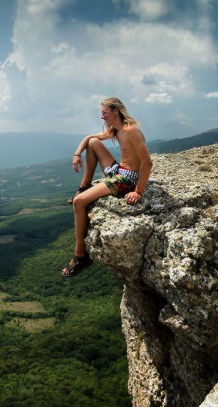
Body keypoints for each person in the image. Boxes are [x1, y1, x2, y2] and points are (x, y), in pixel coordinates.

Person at [62, 97, 152, 277]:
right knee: (93, 143)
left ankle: (80, 255)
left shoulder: (131, 130)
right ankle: (84, 186)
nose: (102, 117)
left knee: (79, 203)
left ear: (115, 111)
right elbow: (89, 138)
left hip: (127, 179)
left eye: (104, 113)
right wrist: (77, 154)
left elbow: (147, 163)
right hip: (119, 171)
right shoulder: (116, 130)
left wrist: (138, 191)